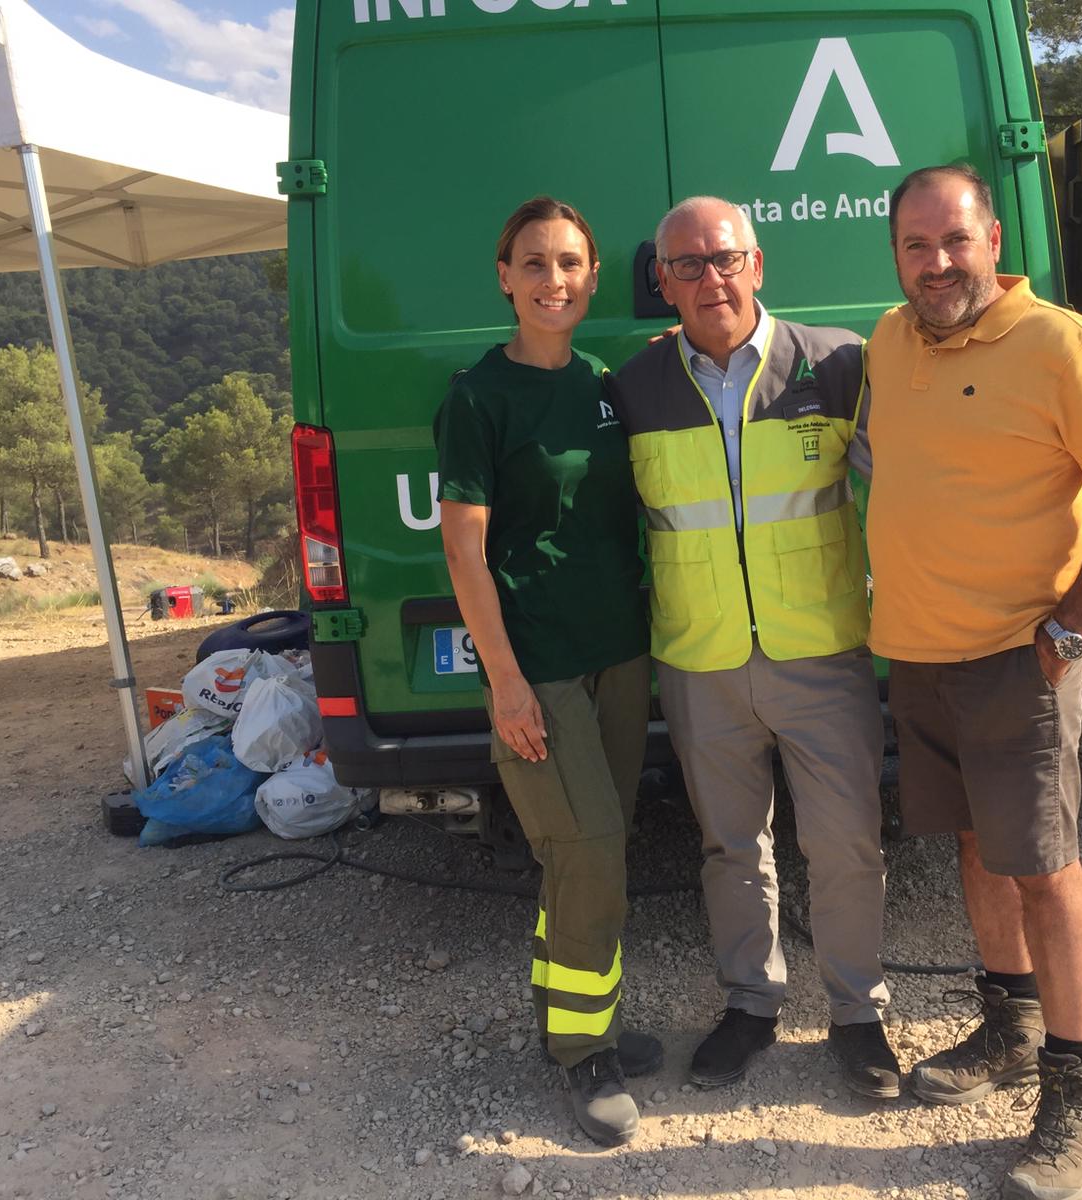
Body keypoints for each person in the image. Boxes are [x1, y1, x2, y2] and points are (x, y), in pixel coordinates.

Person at [864, 164, 1082, 1200]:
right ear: (896, 257)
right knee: (977, 847)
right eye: (915, 246)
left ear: (992, 237)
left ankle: (1075, 1088)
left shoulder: (1060, 344)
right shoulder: (888, 340)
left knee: (1044, 868)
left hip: (1016, 660)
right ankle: (1007, 1023)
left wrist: (1073, 628)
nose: (936, 262)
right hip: (919, 654)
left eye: (953, 240)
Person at [610, 196, 897, 1099]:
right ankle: (750, 1005)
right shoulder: (634, 389)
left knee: (846, 842)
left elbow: (907, 492)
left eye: (725, 258)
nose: (711, 279)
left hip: (821, 653)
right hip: (701, 663)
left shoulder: (838, 362)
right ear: (663, 283)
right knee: (731, 847)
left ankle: (858, 1015)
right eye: (687, 265)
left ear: (758, 264)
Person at [433, 197, 660, 1148]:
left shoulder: (607, 384)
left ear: (594, 276)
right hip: (542, 670)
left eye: (569, 262)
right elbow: (464, 554)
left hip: (619, 655)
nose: (552, 279)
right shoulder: (479, 397)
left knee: (583, 855)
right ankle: (581, 1055)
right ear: (503, 276)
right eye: (533, 262)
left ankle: (576, 1017)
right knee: (592, 853)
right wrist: (506, 682)